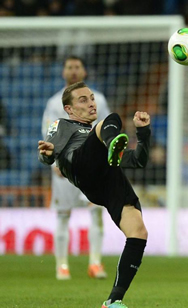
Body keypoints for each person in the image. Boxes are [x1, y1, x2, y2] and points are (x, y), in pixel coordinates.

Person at [38, 81, 151, 308]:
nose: (91, 103)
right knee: (111, 120)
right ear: (69, 109)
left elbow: (138, 160)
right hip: (80, 163)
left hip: (105, 180)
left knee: (138, 231)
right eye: (83, 100)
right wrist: (48, 156)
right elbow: (48, 152)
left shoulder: (99, 134)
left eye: (91, 98)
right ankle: (112, 150)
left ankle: (113, 300)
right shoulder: (63, 124)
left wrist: (143, 131)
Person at [42, 56, 111, 280]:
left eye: (77, 67)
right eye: (69, 67)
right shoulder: (55, 103)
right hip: (65, 168)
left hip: (91, 166)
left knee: (96, 212)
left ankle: (95, 263)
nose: (73, 71)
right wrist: (56, 160)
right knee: (63, 215)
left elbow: (107, 129)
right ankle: (62, 266)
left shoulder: (98, 99)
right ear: (63, 72)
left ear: (84, 71)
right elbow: (50, 133)